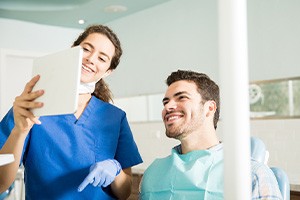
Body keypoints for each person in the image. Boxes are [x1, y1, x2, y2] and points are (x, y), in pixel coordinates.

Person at [0, 24, 142, 199]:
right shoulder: (32, 106)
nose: (91, 59)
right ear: (73, 51)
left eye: (102, 58)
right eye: (86, 49)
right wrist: (19, 131)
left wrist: (116, 170)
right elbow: (1, 183)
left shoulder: (115, 117)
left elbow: (125, 192)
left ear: (108, 72)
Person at [140, 70, 282, 200]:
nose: (168, 107)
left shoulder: (251, 175)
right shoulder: (152, 174)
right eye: (166, 101)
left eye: (181, 98)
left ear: (209, 108)